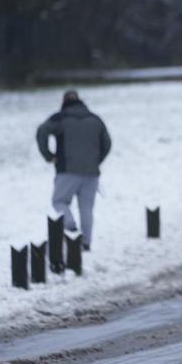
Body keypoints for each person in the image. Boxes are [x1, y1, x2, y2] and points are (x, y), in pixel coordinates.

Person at [36, 90, 111, 251]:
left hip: (67, 171)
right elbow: (107, 143)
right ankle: (86, 243)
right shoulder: (95, 119)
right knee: (86, 208)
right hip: (91, 173)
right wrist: (95, 161)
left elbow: (42, 131)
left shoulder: (60, 118)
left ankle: (70, 228)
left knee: (59, 201)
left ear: (64, 102)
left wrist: (48, 156)